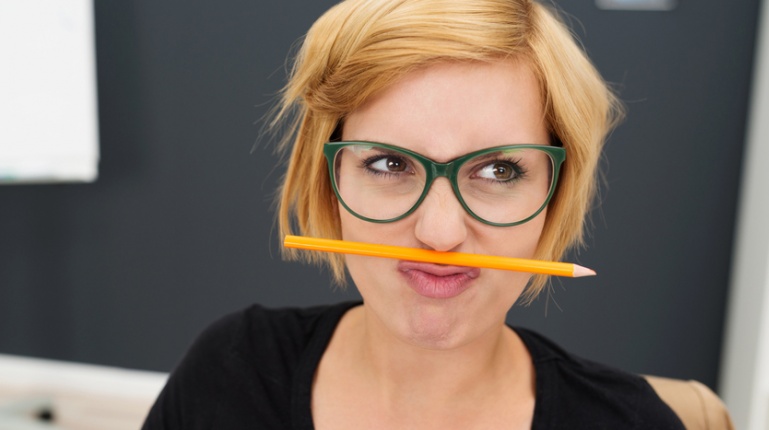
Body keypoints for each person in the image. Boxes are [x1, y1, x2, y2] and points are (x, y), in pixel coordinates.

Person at [143, 0, 686, 428]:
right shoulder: (230, 373)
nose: (440, 233)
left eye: (498, 171)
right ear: (326, 181)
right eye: (388, 163)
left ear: (556, 192)